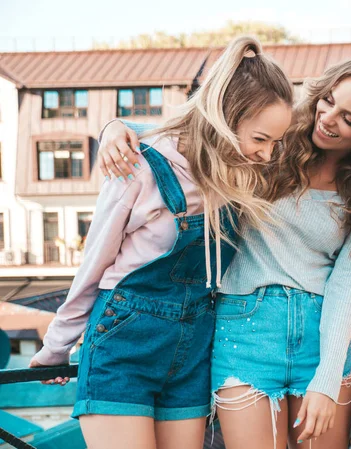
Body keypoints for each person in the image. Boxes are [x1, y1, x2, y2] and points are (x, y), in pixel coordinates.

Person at [96, 55, 351, 449]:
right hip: (244, 331)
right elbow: (201, 132)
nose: (328, 118)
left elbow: (345, 286)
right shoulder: (273, 147)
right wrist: (120, 127)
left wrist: (327, 378)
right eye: (329, 100)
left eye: (350, 120)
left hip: (322, 335)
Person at [29, 36, 294, 449]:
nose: (267, 154)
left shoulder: (239, 175)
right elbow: (93, 265)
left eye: (275, 143)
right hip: (124, 346)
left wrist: (120, 124)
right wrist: (56, 347)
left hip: (192, 352)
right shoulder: (139, 167)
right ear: (224, 117)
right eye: (261, 139)